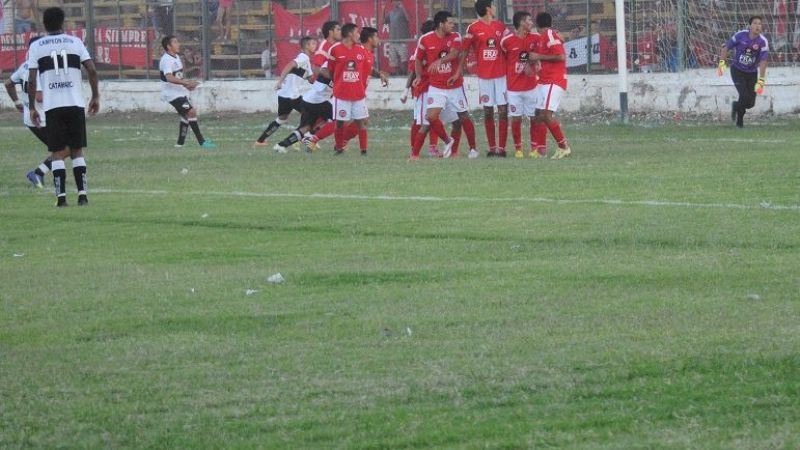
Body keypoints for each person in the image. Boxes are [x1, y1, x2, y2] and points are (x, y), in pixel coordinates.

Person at [27, 7, 100, 207]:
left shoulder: (37, 46)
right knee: (77, 150)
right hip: (75, 103)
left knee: (58, 152)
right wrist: (95, 96)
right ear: (63, 22)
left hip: (53, 106)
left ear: (44, 23)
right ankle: (83, 197)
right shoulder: (75, 42)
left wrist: (32, 106)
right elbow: (92, 71)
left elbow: (32, 79)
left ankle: (61, 199)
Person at [410, 10, 478, 160]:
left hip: (454, 85)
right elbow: (418, 60)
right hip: (436, 86)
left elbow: (454, 54)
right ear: (441, 24)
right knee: (431, 117)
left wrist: (439, 61)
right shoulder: (425, 39)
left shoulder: (455, 37)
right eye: (450, 22)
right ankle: (447, 141)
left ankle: (473, 149)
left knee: (463, 116)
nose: (453, 25)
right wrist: (419, 76)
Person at [274, 20, 341, 153]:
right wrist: (334, 83)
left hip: (312, 99)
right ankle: (331, 143)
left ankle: (281, 145)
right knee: (339, 119)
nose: (340, 32)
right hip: (318, 99)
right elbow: (318, 70)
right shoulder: (325, 50)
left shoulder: (334, 49)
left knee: (306, 128)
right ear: (330, 32)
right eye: (338, 29)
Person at [462, 0, 511, 157]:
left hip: (501, 75)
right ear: (488, 9)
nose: (495, 8)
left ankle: (501, 148)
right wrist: (460, 70)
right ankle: (492, 148)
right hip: (484, 77)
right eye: (493, 5)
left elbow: (509, 46)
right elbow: (464, 50)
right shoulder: (473, 28)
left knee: (503, 110)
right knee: (488, 111)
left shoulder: (501, 27)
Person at [4, 37, 53, 188]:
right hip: (41, 118)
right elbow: (39, 97)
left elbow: (8, 83)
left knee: (63, 147)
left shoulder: (25, 66)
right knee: (65, 147)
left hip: (30, 118)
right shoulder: (37, 68)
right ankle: (38, 173)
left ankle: (40, 174)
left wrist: (18, 103)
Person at [254, 36, 315, 146]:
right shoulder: (303, 57)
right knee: (311, 115)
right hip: (293, 95)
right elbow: (290, 65)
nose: (315, 46)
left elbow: (311, 79)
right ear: (307, 46)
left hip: (283, 95)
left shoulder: (306, 60)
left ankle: (260, 140)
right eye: (313, 44)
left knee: (282, 118)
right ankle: (302, 138)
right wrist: (280, 81)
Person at [159, 35, 217, 149]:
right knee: (191, 112)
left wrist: (187, 84)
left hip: (179, 92)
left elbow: (178, 77)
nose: (178, 44)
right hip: (171, 94)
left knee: (185, 116)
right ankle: (202, 142)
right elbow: (169, 78)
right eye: (175, 43)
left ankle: (180, 144)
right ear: (168, 46)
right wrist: (185, 84)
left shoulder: (176, 58)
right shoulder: (166, 59)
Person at [321, 23, 369, 155]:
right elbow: (330, 70)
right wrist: (338, 82)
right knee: (340, 122)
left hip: (358, 93)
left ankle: (364, 150)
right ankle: (338, 148)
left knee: (361, 122)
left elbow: (364, 70)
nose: (359, 35)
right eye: (357, 32)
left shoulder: (360, 50)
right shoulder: (335, 49)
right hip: (341, 94)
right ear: (349, 34)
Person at [500, 11, 543, 158]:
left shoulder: (535, 38)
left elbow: (538, 55)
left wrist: (535, 63)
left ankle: (534, 149)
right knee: (516, 118)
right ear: (521, 23)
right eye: (529, 20)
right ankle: (518, 149)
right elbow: (505, 57)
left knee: (534, 118)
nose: (531, 23)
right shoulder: (506, 41)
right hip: (513, 88)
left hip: (531, 87)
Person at [530, 12, 571, 159]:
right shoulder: (543, 37)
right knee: (539, 115)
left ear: (536, 23)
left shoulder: (549, 34)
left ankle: (564, 146)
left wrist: (538, 57)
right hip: (545, 81)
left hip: (554, 80)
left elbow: (560, 56)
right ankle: (541, 150)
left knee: (546, 115)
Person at [717, 15, 769, 128]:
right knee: (744, 95)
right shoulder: (740, 35)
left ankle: (736, 106)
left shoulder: (763, 41)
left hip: (752, 73)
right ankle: (739, 122)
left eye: (759, 24)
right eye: (755, 23)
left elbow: (764, 61)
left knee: (751, 103)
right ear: (750, 25)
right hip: (737, 71)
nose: (757, 26)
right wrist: (722, 64)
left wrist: (761, 80)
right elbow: (725, 47)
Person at [384, 0, 410, 75]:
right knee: (394, 62)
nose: (395, 2)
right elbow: (383, 22)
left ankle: (404, 75)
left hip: (401, 40)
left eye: (397, 1)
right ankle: (398, 75)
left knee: (404, 60)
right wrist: (383, 10)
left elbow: (408, 18)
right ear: (392, 3)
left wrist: (403, 6)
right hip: (392, 40)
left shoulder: (402, 11)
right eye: (393, 1)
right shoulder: (391, 13)